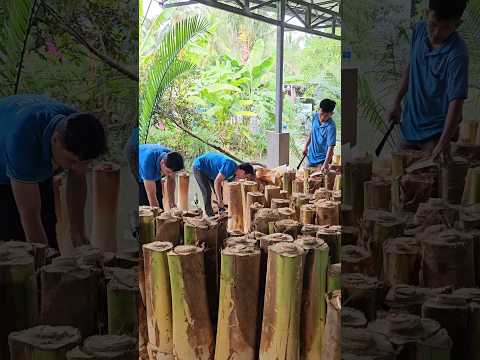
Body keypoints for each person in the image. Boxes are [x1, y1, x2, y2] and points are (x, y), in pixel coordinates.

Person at [0, 94, 107, 249]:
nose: (78, 168)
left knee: (48, 221)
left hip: (27, 143)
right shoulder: (21, 142)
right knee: (16, 242)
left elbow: (77, 178)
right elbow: (29, 216)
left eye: (85, 163)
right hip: (6, 164)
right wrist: (43, 265)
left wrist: (78, 234)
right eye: (72, 161)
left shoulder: (76, 124)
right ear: (56, 140)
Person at [388, 0, 469, 161]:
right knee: (398, 179)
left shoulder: (457, 53)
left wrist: (444, 142)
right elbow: (412, 67)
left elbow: (456, 101)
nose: (436, 33)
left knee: (429, 183)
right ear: (427, 15)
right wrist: (396, 102)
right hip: (409, 128)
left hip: (436, 135)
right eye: (433, 24)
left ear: (458, 24)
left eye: (446, 27)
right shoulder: (419, 30)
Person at [192, 152, 255, 217]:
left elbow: (231, 187)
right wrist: (220, 200)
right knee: (207, 191)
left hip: (210, 170)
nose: (244, 179)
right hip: (199, 167)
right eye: (246, 177)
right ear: (243, 172)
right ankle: (210, 215)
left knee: (220, 189)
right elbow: (217, 182)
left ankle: (221, 210)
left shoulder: (234, 173)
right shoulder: (229, 166)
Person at [138, 143, 184, 208]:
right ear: (162, 163)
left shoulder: (172, 156)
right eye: (168, 172)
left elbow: (171, 180)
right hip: (135, 169)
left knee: (159, 197)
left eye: (174, 173)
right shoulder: (147, 163)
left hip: (153, 167)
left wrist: (172, 203)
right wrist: (157, 216)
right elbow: (152, 197)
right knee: (145, 205)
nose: (171, 175)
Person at [303, 99, 337, 172]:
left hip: (322, 162)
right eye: (321, 113)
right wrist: (305, 146)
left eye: (326, 116)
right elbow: (311, 133)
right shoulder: (315, 116)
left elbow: (330, 147)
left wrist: (325, 164)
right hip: (310, 158)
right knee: (306, 179)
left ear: (331, 114)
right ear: (319, 109)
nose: (322, 118)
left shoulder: (331, 127)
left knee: (318, 182)